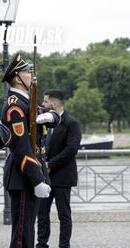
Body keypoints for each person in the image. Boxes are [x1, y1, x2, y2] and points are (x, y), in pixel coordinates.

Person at [1, 54, 60, 248]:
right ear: (18, 78)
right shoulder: (14, 106)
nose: (31, 74)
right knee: (22, 235)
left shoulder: (26, 102)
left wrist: (51, 116)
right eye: (27, 71)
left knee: (28, 230)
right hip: (23, 175)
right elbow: (21, 146)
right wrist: (36, 179)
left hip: (31, 172)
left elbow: (51, 116)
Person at [37, 89, 82, 248]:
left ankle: (64, 245)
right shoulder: (44, 122)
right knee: (42, 213)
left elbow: (71, 150)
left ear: (53, 104)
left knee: (64, 215)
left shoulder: (72, 123)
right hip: (45, 177)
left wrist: (50, 164)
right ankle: (42, 244)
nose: (42, 105)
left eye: (45, 101)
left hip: (63, 176)